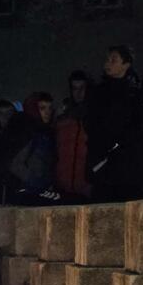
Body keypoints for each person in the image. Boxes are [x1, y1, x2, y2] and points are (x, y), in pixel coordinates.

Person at [85, 45, 143, 202]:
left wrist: (122, 143)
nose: (108, 63)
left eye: (114, 60)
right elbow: (91, 124)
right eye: (107, 59)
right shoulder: (98, 93)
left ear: (125, 65)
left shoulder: (135, 94)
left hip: (128, 166)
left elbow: (141, 128)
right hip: (103, 165)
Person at [8, 92, 58, 203]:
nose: (47, 112)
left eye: (49, 108)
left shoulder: (45, 132)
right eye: (42, 108)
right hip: (30, 193)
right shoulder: (30, 132)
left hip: (38, 191)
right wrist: (36, 183)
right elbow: (16, 165)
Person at [56, 70, 91, 201]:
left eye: (82, 88)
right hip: (63, 186)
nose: (78, 92)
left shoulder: (94, 116)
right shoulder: (63, 118)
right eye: (75, 88)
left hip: (86, 187)